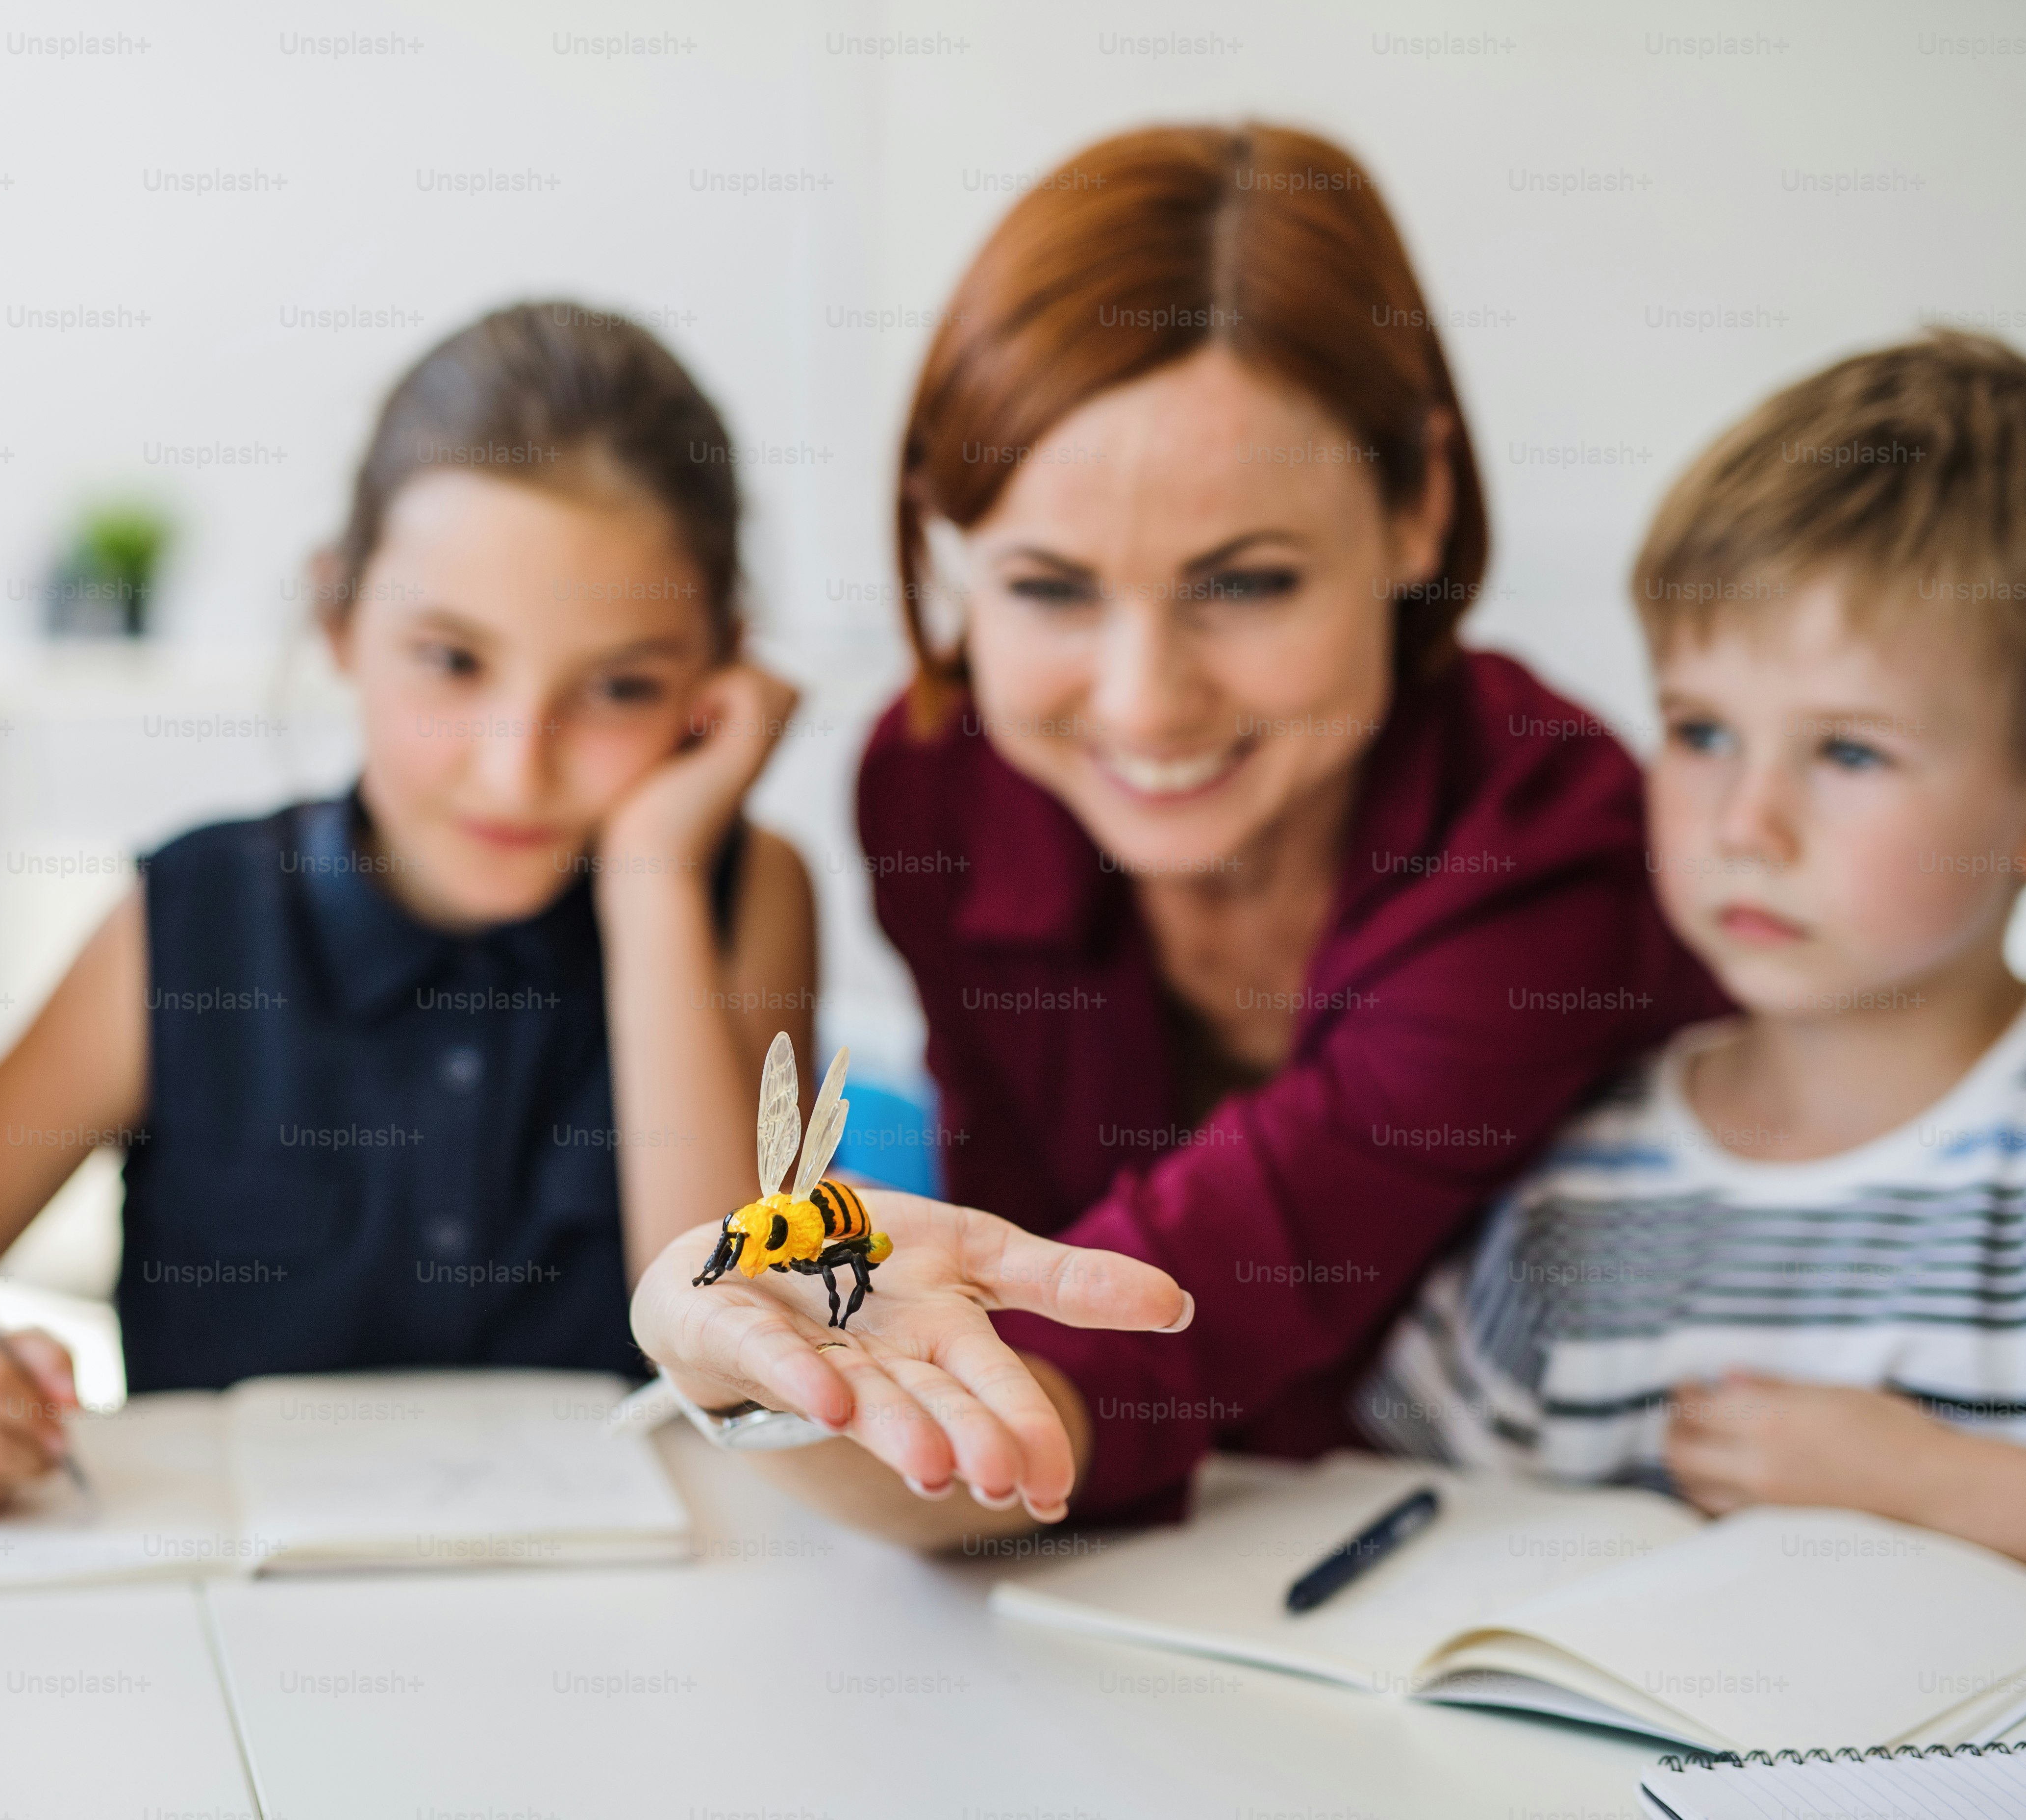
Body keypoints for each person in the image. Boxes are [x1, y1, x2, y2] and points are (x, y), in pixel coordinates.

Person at [629, 122, 1726, 1541]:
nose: (1145, 704)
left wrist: (845, 1389)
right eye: (1049, 589)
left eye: (1248, 583)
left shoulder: (1549, 851)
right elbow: (1016, 1375)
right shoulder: (942, 795)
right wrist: (728, 1346)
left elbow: (1103, 1370)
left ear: (1418, 506)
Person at [0, 303, 818, 1519]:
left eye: (620, 686)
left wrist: (656, 877)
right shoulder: (189, 916)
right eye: (453, 662)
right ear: (339, 617)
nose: (515, 767)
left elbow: (729, 1351)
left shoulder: (740, 891)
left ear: (718, 681)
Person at [1357, 333, 2026, 1594]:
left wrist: (1927, 1486)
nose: (1744, 823)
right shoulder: (1574, 1192)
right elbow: (1411, 1523)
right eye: (1703, 731)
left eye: (1850, 753)